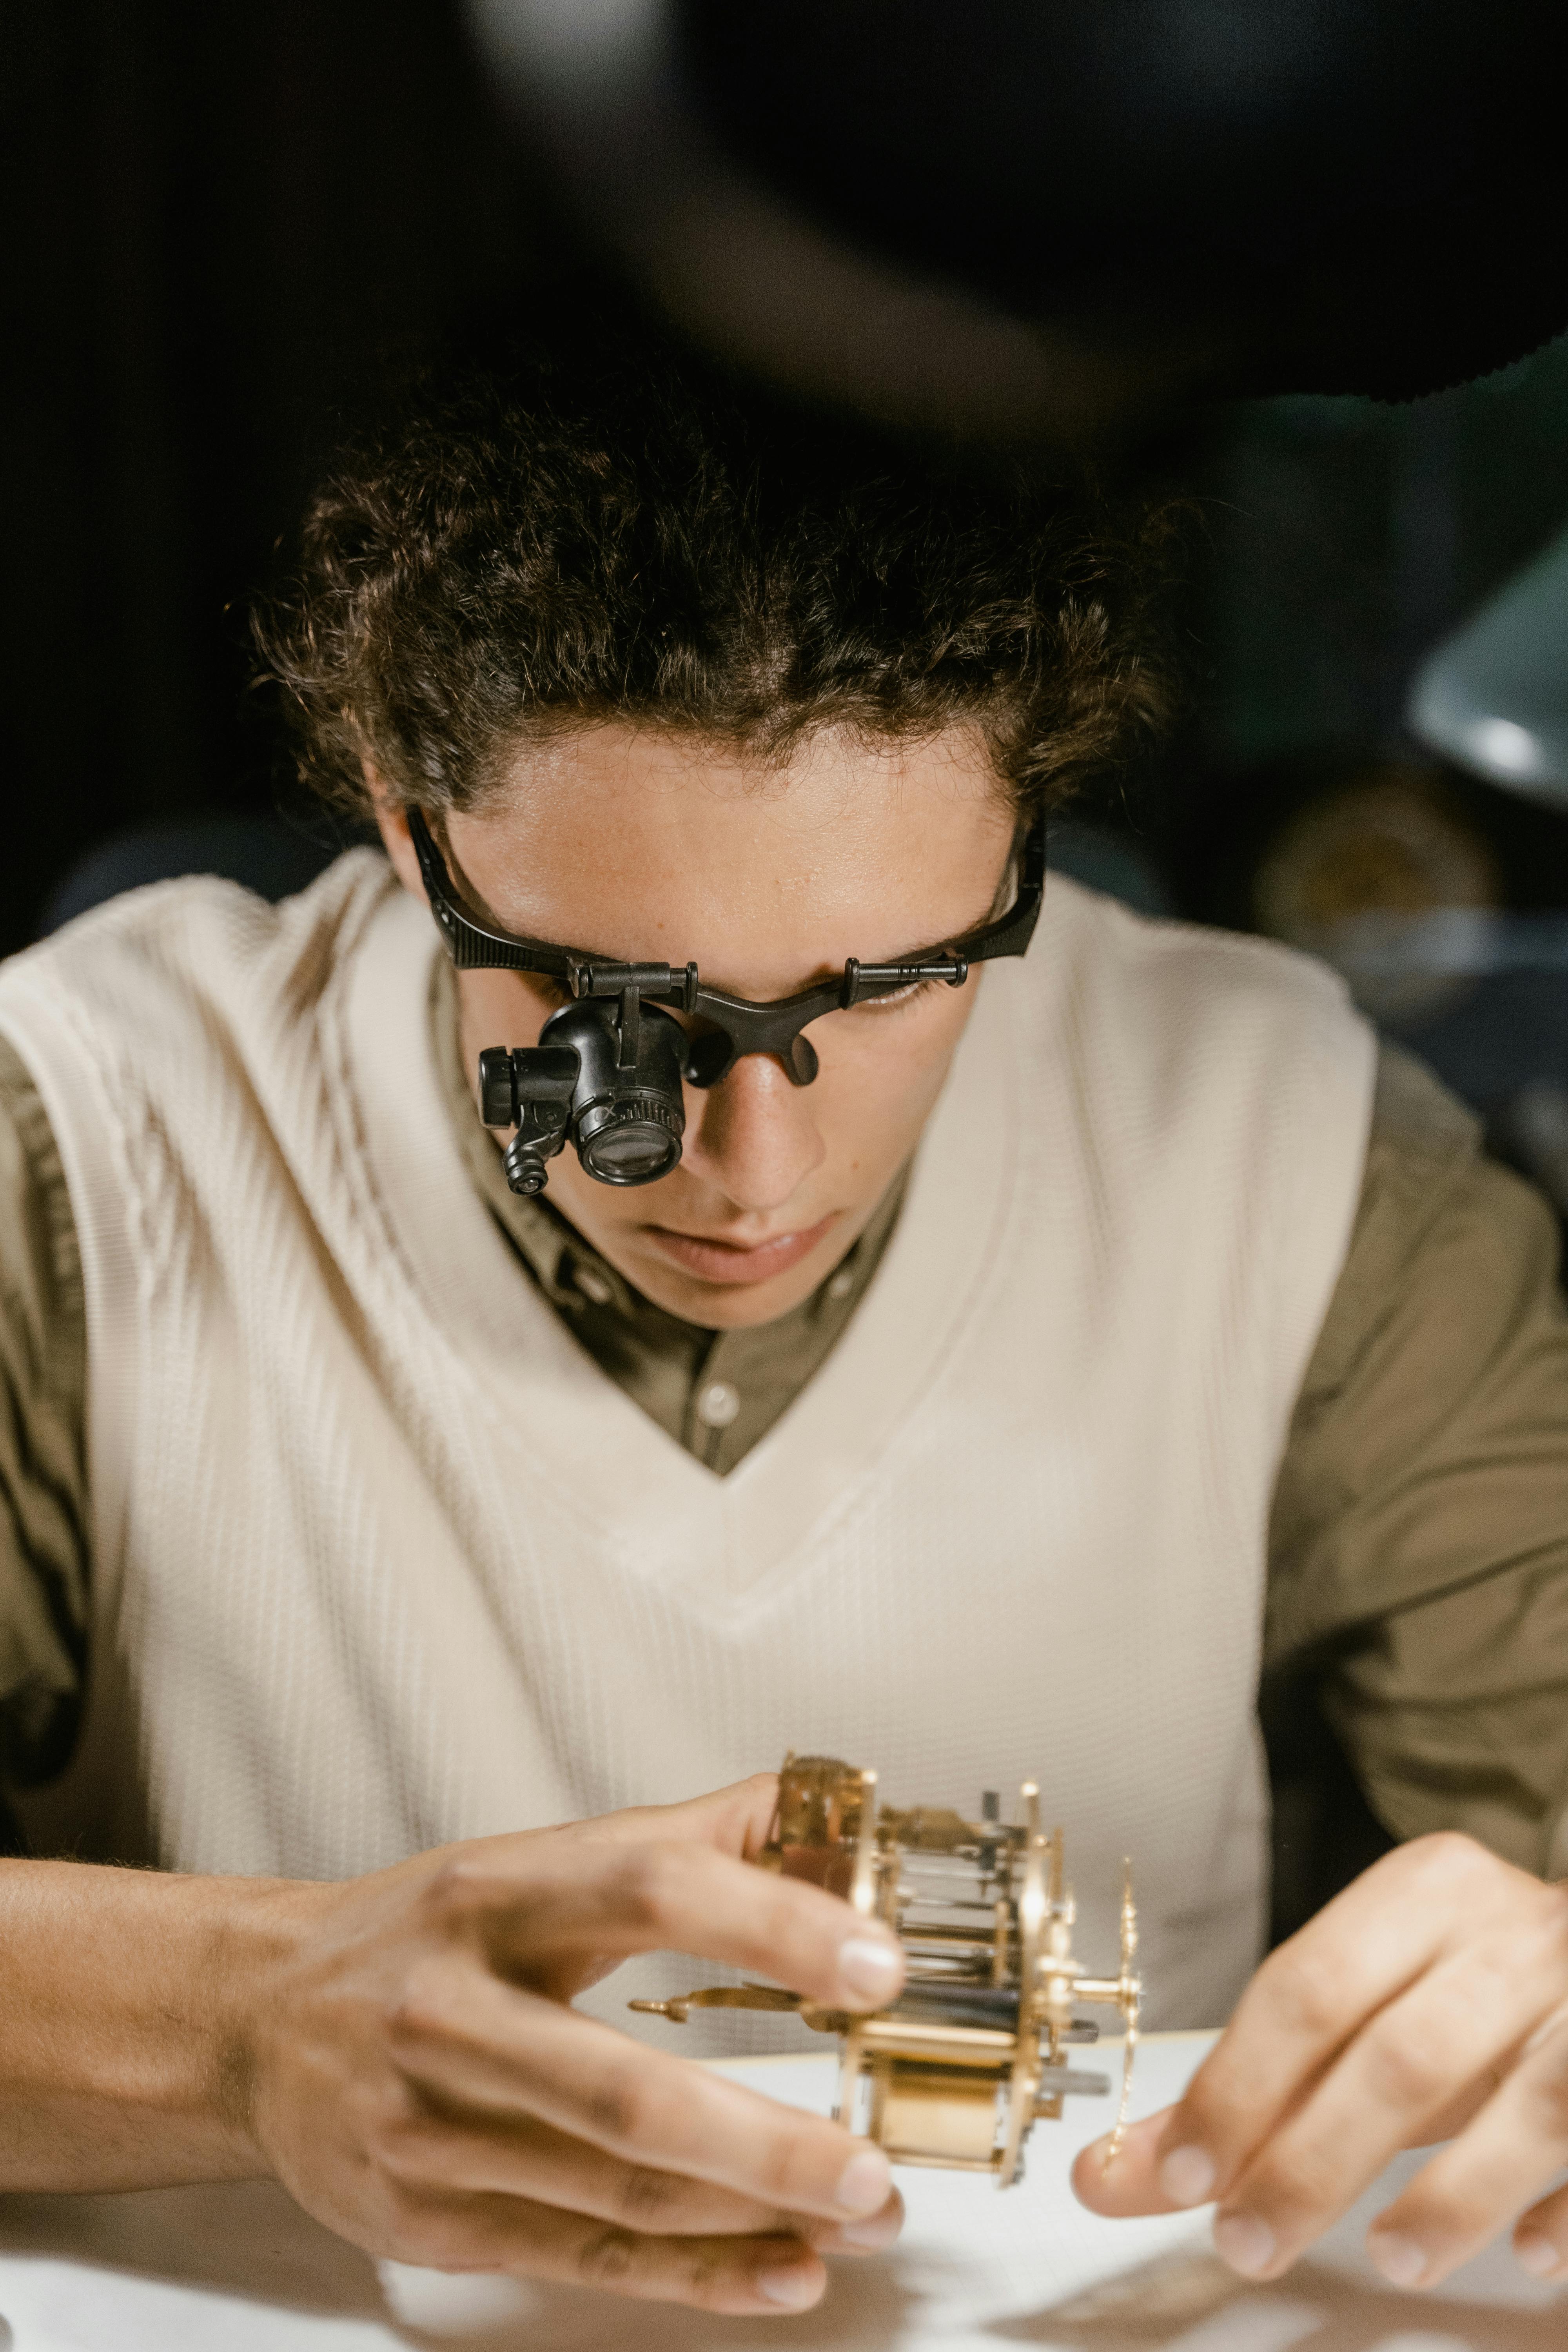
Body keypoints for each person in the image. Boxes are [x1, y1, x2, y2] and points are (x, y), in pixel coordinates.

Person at [2, 307, 1568, 2318]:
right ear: (406, 819)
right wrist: (247, 2031)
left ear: (1022, 828)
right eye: (626, 1007)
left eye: (895, 982)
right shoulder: (80, 1143)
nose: (758, 1170)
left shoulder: (1315, 1157)